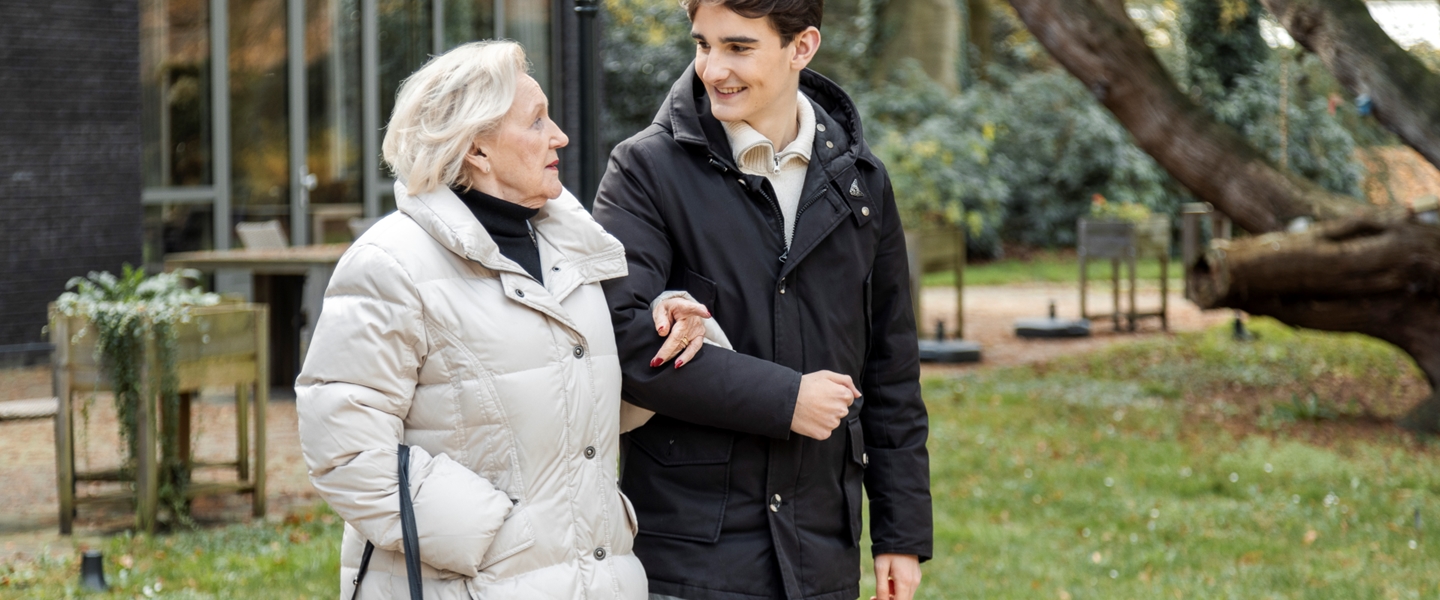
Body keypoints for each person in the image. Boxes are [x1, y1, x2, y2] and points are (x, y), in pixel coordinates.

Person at [296, 41, 665, 599]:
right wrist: (494, 536)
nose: (559, 135)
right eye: (537, 120)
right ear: (477, 149)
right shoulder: (390, 264)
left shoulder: (573, 254)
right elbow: (344, 452)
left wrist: (670, 331)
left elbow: (583, 413)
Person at [593, 1, 933, 599]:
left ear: (801, 47)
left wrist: (900, 535)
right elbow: (621, 341)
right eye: (703, 45)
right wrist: (787, 399)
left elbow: (891, 370)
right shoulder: (644, 170)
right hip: (689, 555)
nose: (712, 67)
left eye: (738, 47)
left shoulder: (863, 184)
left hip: (821, 553)